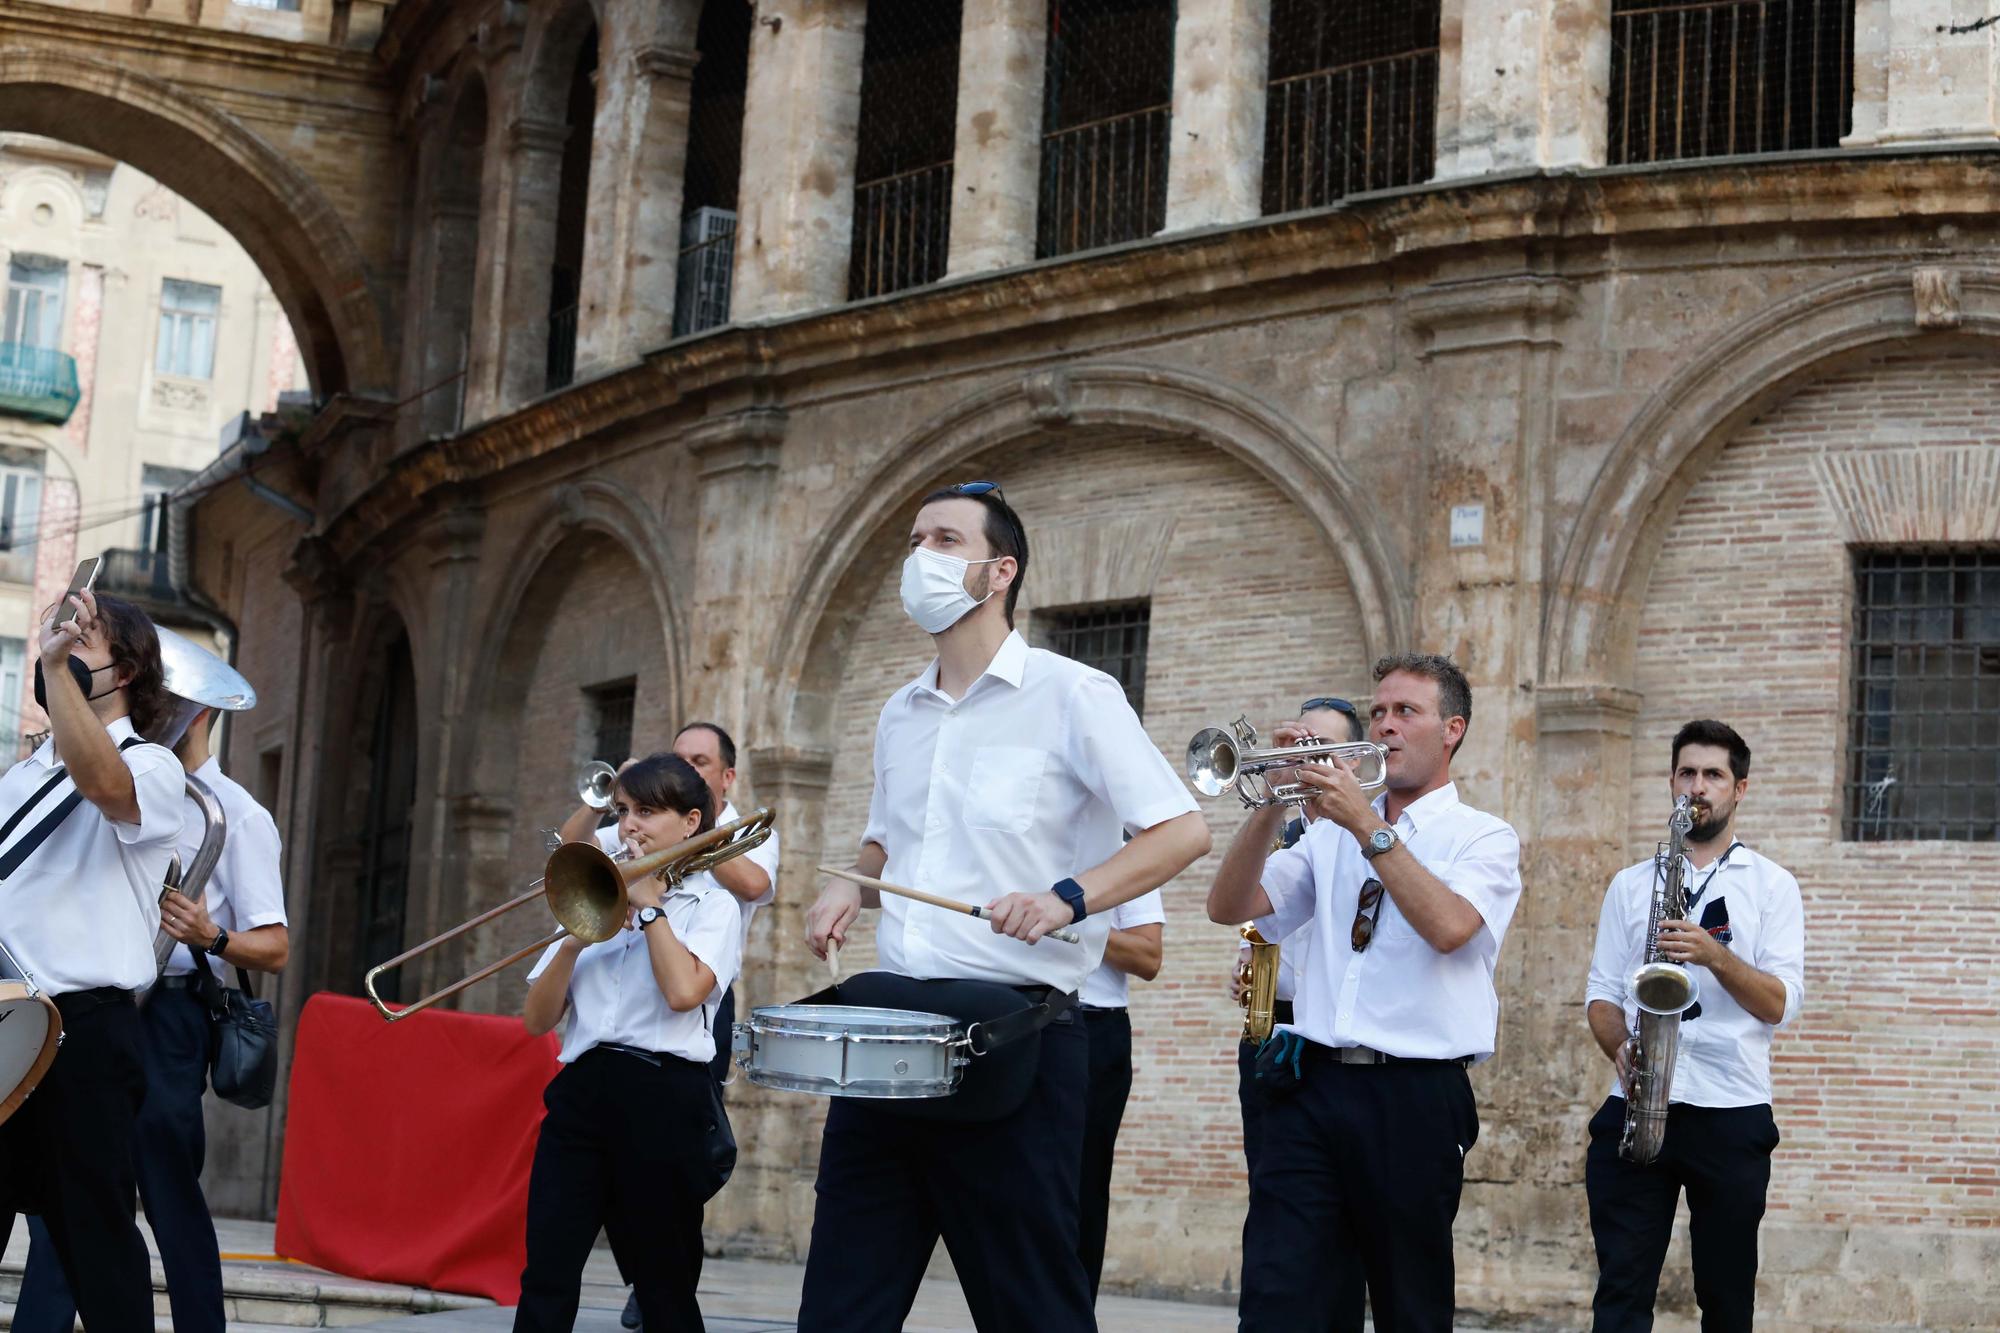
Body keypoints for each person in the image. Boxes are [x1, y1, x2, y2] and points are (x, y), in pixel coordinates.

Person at [799, 481, 1211, 1332]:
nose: (921, 556)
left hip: (1015, 1038)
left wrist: (1069, 899)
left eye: (945, 540)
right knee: (838, 1309)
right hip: (891, 1037)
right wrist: (851, 879)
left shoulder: (1076, 693)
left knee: (1033, 1313)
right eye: (915, 539)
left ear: (1000, 570)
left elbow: (1182, 830)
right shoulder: (896, 711)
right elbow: (888, 839)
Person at [1207, 654, 1522, 1332]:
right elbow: (1229, 903)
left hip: (1415, 1097)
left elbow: (1448, 927)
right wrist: (1273, 799)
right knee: (1280, 1296)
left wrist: (1366, 826)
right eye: (1377, 712)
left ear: (1452, 730)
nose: (1385, 726)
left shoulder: (1483, 837)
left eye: (1406, 712)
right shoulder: (1325, 835)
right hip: (1313, 1089)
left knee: (1410, 1304)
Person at [14, 633, 288, 1333]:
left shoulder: (202, 797)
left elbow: (276, 945)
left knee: (152, 1187)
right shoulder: (27, 778)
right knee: (68, 1213)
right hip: (27, 1010)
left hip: (153, 1011)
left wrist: (212, 935)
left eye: (87, 641)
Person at [0, 591, 185, 1332]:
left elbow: (105, 786)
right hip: (6, 1017)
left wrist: (53, 665)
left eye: (84, 639)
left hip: (85, 1033)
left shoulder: (156, 768)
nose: (63, 646)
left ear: (128, 670)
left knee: (96, 1240)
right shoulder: (16, 779)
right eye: (58, 635)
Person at [1583, 720, 1805, 1332]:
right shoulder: (1631, 885)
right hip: (1637, 1104)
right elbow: (1602, 995)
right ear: (1671, 783)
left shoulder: (1772, 886)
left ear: (1740, 790)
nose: (1698, 787)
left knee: (1726, 1298)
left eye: (1713, 775)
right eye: (1687, 773)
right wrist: (1620, 1047)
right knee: (1621, 1295)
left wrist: (1714, 956)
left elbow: (1780, 1003)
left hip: (1730, 1111)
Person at [514, 753, 740, 1332]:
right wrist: (572, 940)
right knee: (548, 1269)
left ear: (691, 822)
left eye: (646, 811)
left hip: (664, 1095)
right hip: (583, 1091)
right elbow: (537, 1021)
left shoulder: (714, 906)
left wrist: (649, 911)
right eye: (622, 812)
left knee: (663, 1281)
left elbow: (685, 993)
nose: (629, 825)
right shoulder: (592, 894)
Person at [1230, 695, 1367, 1333]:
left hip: (1334, 1039)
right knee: (1275, 1211)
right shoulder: (1287, 834)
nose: (1306, 758)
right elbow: (1247, 919)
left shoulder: (1365, 836)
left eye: (1320, 749)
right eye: (1299, 745)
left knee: (1337, 1224)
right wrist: (1251, 964)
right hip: (1270, 1030)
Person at [1076, 886, 1164, 1299]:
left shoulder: (1128, 853)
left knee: (1082, 1190)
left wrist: (1067, 919)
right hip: (1007, 1018)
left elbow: (1148, 958)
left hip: (1092, 1027)